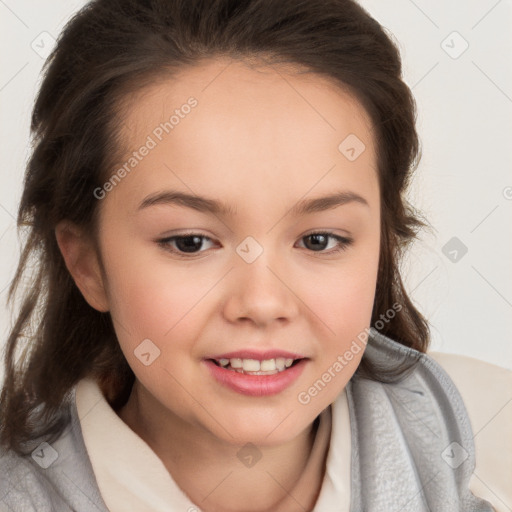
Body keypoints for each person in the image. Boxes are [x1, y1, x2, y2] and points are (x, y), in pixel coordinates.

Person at [0, 0, 510, 511]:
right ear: (87, 263)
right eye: (190, 242)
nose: (263, 303)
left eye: (319, 240)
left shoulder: (491, 448)